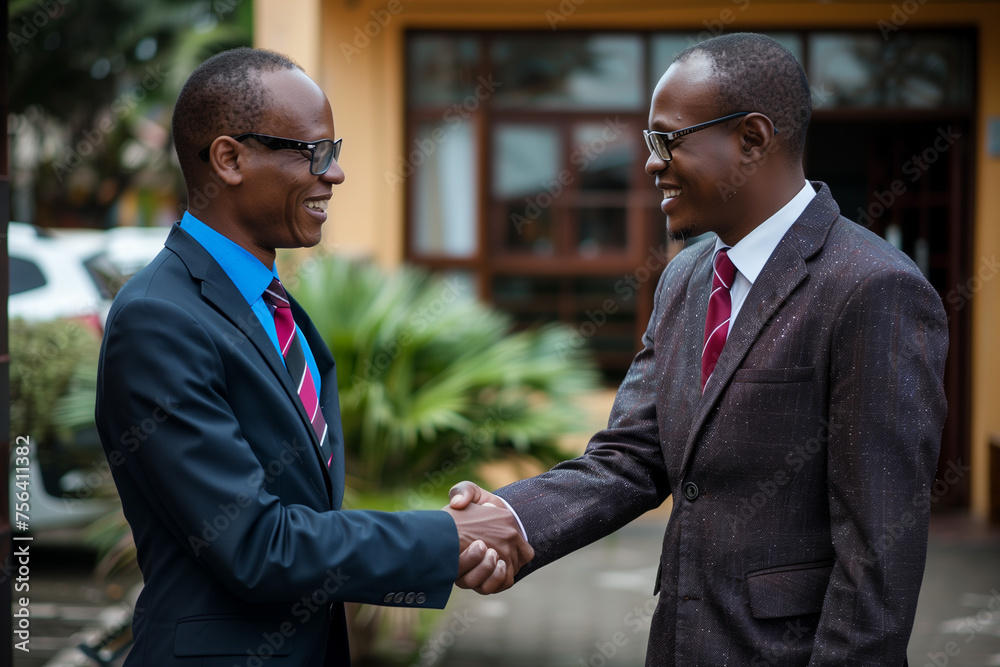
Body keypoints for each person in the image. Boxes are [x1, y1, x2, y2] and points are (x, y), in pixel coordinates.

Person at [450, 32, 948, 666]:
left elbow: (879, 554)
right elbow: (633, 456)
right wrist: (512, 520)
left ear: (752, 138)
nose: (652, 162)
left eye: (669, 139)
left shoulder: (874, 289)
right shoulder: (685, 279)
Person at [95, 47, 531, 666]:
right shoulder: (158, 319)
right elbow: (253, 543)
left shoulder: (275, 306)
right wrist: (446, 536)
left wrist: (451, 542)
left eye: (336, 150)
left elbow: (302, 518)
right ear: (230, 158)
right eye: (314, 151)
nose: (336, 174)